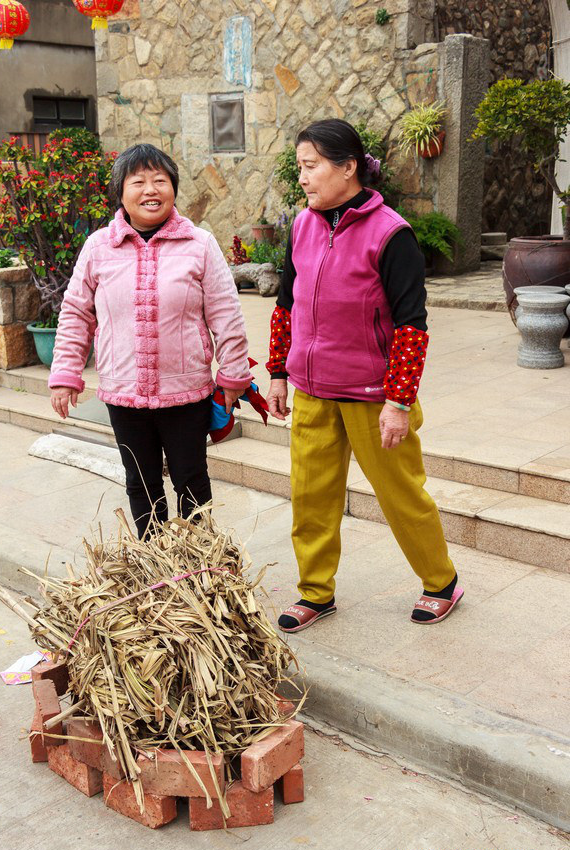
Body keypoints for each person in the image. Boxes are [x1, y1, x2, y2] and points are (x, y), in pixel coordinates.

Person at [266, 119, 463, 630]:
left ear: (348, 167)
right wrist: (278, 373)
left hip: (374, 397)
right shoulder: (303, 226)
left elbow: (411, 325)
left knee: (401, 495)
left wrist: (399, 401)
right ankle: (315, 592)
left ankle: (441, 582)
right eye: (301, 167)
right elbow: (286, 305)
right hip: (312, 391)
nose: (303, 178)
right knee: (310, 497)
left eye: (311, 167)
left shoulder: (391, 233)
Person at [49, 143, 251, 538]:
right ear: (120, 192)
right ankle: (156, 569)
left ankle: (201, 568)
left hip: (186, 391)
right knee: (141, 485)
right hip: (123, 393)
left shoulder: (200, 244)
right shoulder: (98, 247)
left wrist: (234, 374)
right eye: (138, 181)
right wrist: (65, 373)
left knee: (191, 480)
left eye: (160, 180)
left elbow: (226, 314)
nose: (150, 190)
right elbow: (76, 313)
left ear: (173, 187)